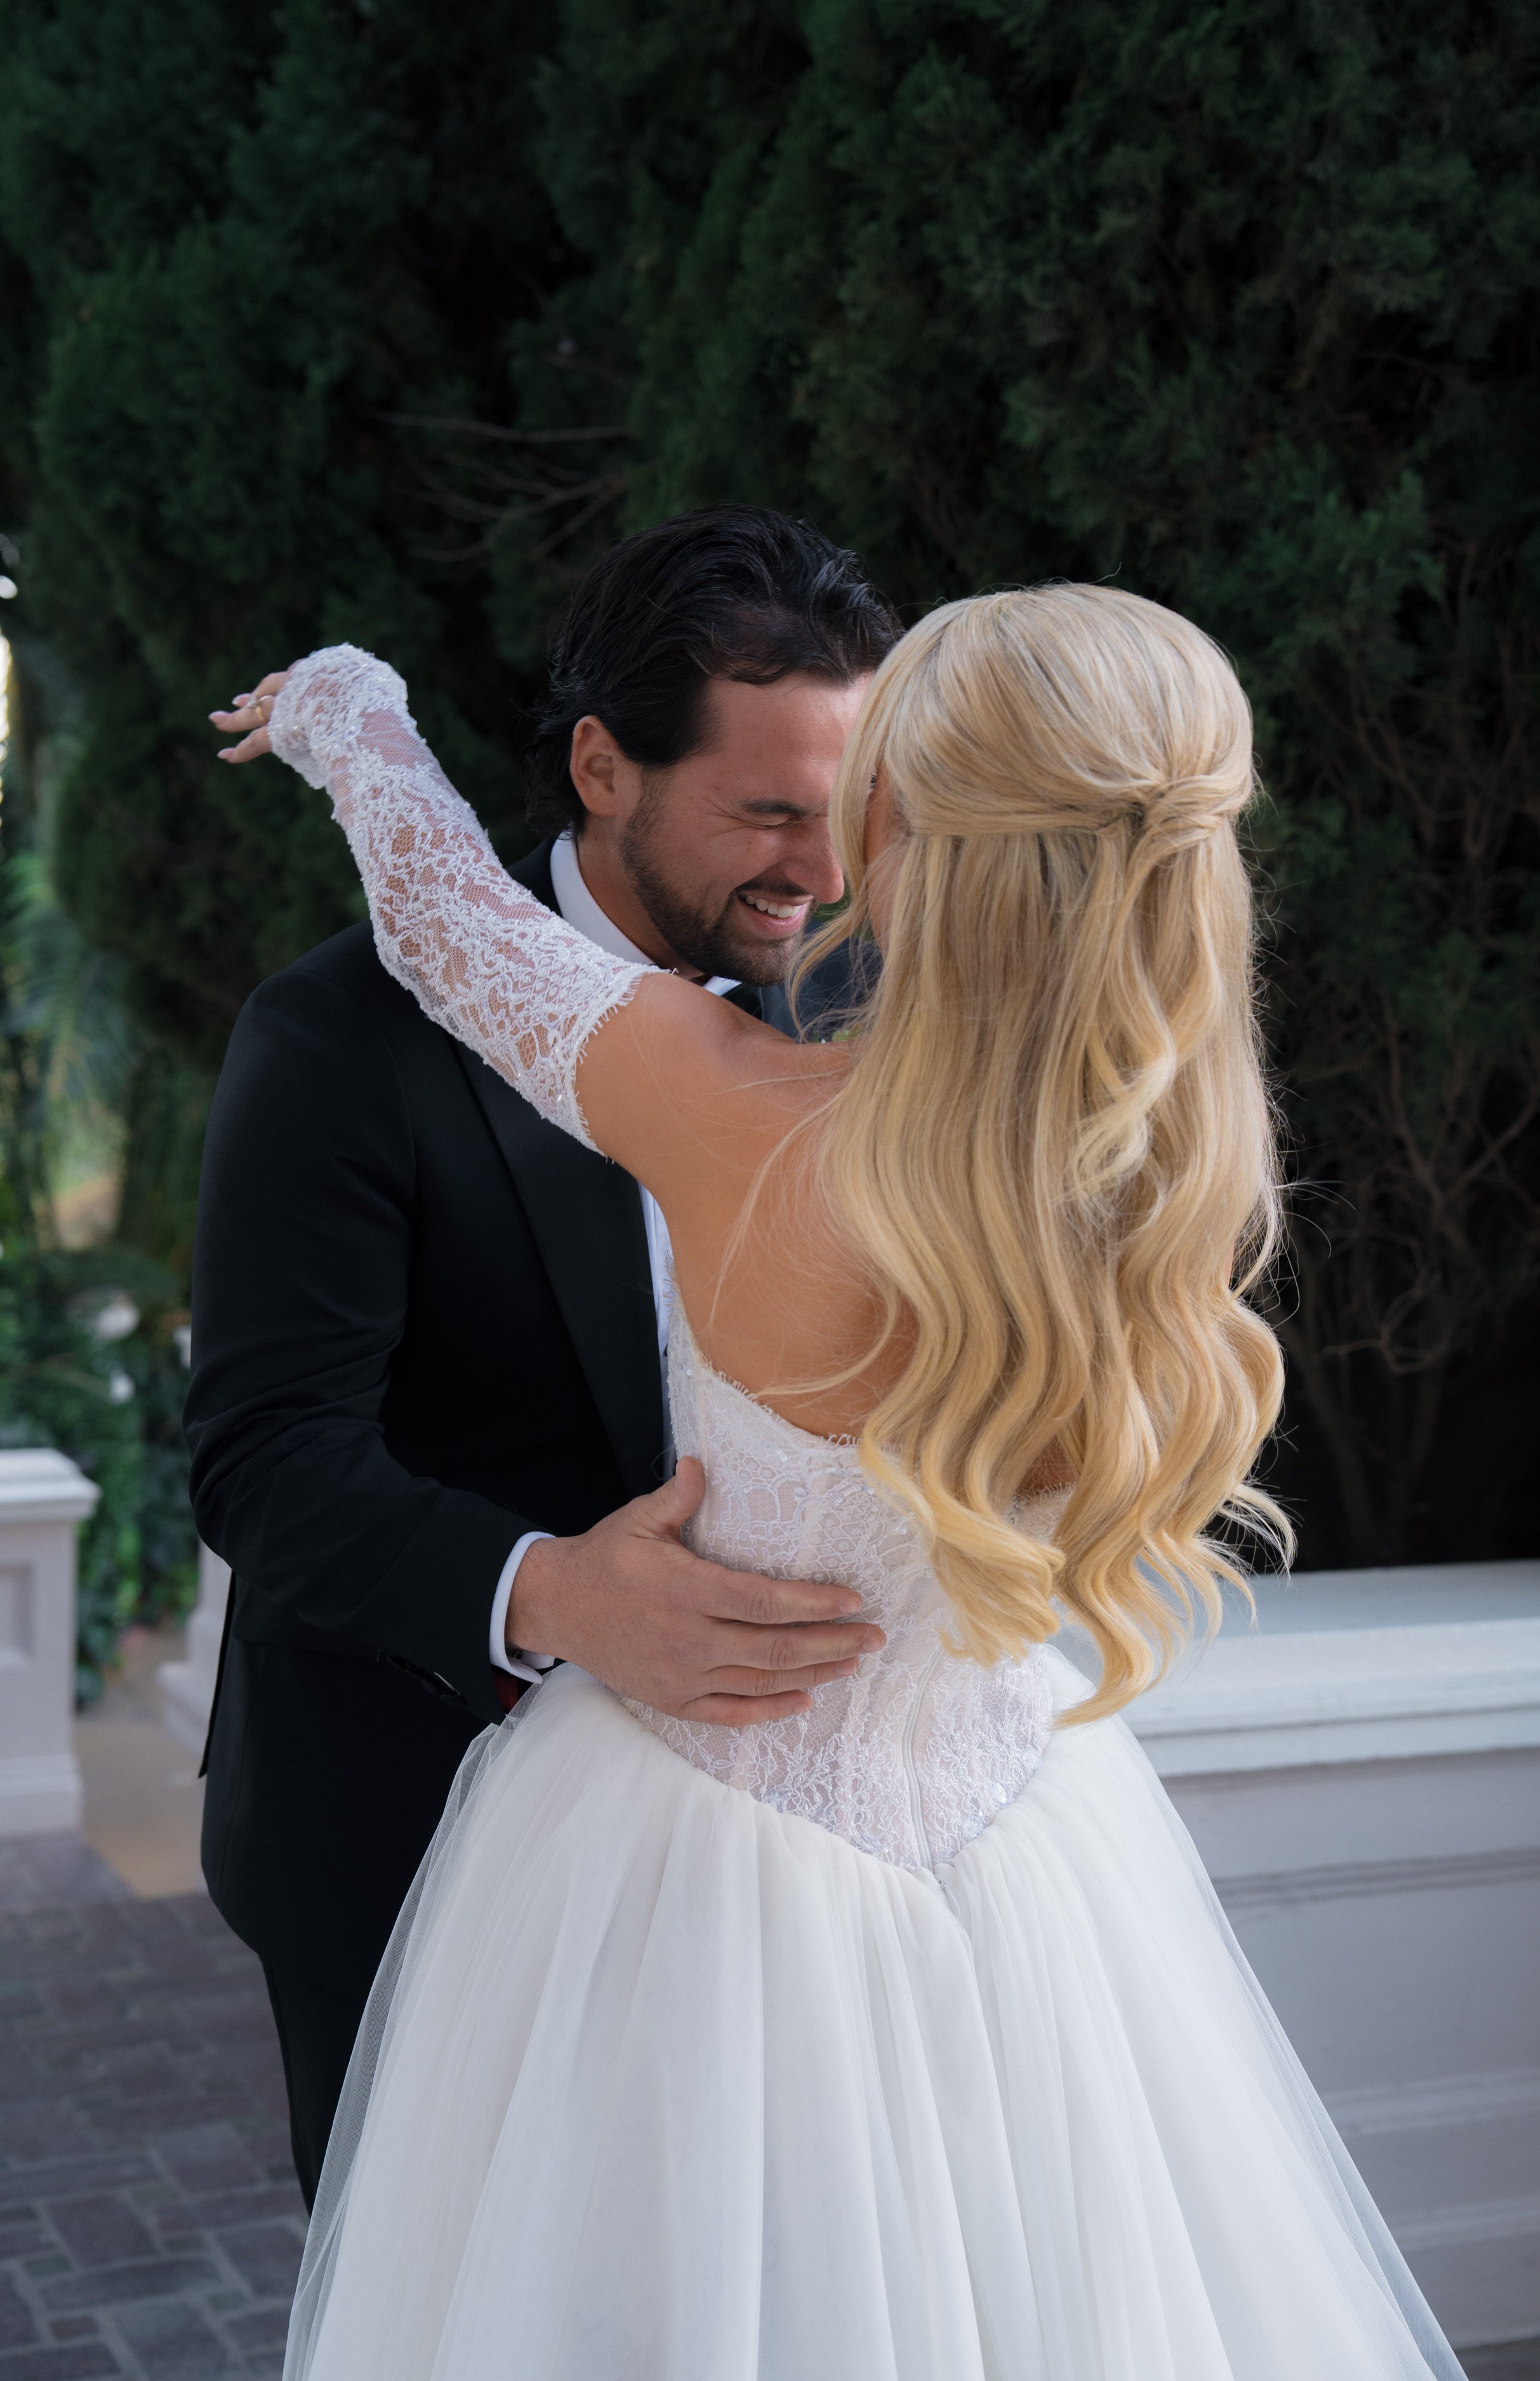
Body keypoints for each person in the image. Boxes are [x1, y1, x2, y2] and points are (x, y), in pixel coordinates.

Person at [213, 587, 1464, 2380]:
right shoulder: (1153, 1178)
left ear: (897, 826)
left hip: (691, 1874)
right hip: (1027, 1858)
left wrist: (349, 711)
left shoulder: (737, 1110)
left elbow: (441, 916)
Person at [184, 506, 898, 2205]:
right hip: (409, 1826)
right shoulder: (338, 1036)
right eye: (766, 814)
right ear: (600, 765)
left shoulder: (871, 1020)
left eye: (849, 814)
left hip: (779, 1861)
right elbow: (266, 1460)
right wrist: (554, 1593)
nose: (818, 874)